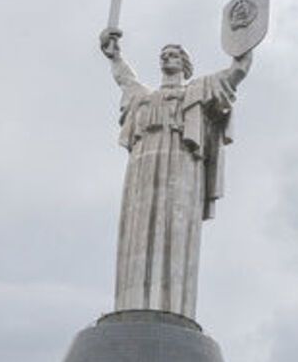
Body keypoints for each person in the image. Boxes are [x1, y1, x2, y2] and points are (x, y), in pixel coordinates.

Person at [98, 27, 253, 321]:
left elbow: (236, 73)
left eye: (173, 55)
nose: (167, 58)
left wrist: (244, 44)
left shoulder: (199, 90)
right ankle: (132, 305)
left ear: (184, 64)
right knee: (138, 231)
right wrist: (115, 56)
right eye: (163, 55)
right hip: (142, 173)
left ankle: (172, 308)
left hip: (182, 169)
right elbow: (124, 79)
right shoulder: (144, 98)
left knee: (176, 230)